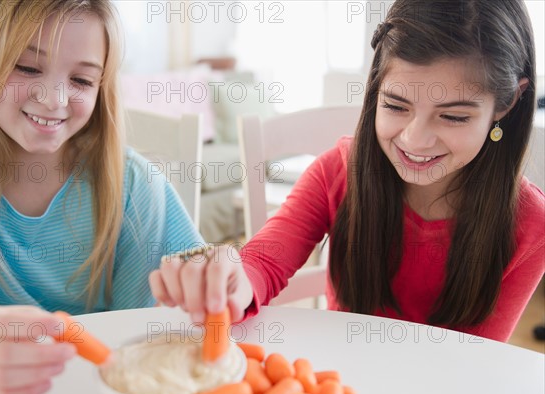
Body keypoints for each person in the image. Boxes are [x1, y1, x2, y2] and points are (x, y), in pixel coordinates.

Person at [151, 0, 545, 343]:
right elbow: (264, 263)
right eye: (395, 106)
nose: (415, 139)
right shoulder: (337, 172)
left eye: (454, 116)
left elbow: (475, 362)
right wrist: (233, 281)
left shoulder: (531, 224)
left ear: (507, 103)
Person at [0, 0, 203, 394]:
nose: (54, 99)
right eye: (27, 67)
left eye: (81, 81)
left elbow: (186, 304)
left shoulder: (132, 184)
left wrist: (216, 275)